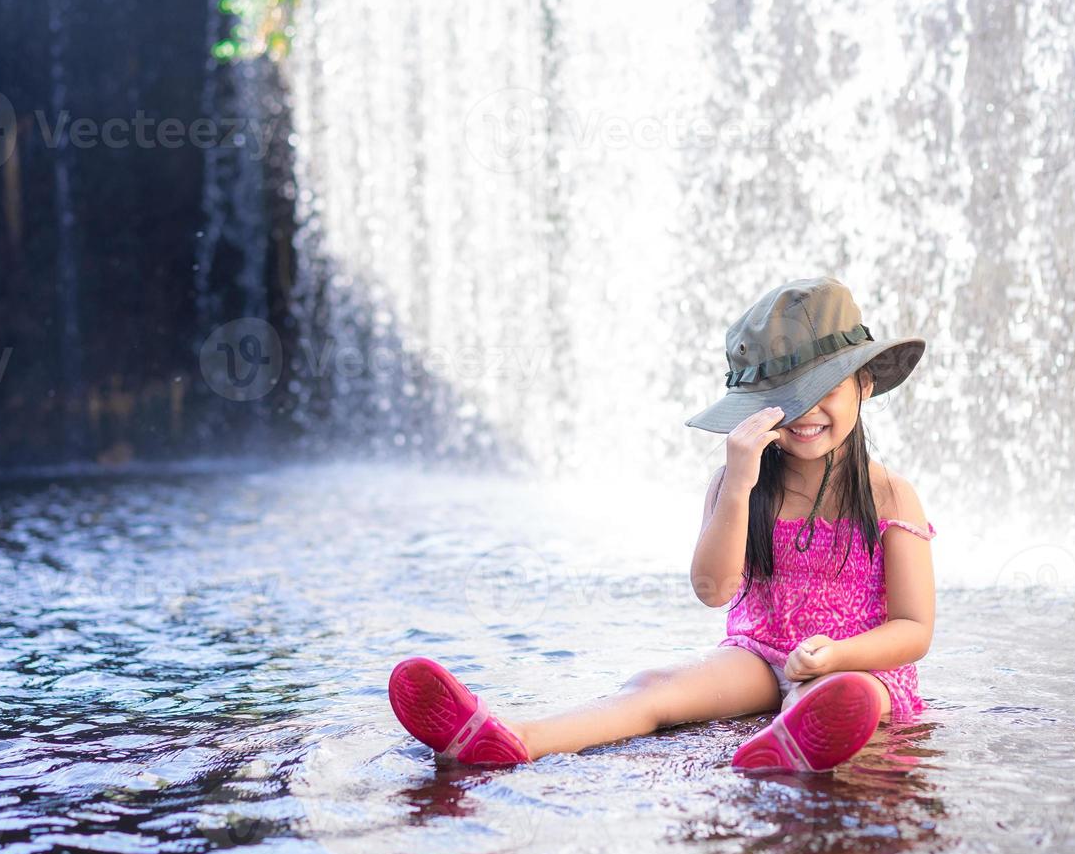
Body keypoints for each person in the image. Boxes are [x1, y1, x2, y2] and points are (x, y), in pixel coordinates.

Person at [387, 277, 937, 773]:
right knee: (654, 688)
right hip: (759, 653)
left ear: (864, 384)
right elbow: (713, 591)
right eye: (784, 401)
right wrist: (739, 486)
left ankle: (793, 741)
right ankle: (512, 739)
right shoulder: (738, 482)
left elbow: (914, 629)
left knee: (838, 694)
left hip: (860, 667)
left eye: (825, 391)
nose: (805, 414)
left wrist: (837, 656)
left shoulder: (889, 494)